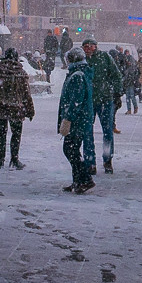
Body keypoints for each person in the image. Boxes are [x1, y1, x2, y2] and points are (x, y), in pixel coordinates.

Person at [0, 47, 35, 169]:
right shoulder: (21, 74)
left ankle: (0, 160)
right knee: (16, 135)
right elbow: (26, 94)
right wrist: (30, 110)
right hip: (16, 109)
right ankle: (15, 159)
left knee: (0, 134)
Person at [81, 38, 123, 174]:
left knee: (108, 131)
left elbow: (116, 75)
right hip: (88, 101)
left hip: (105, 99)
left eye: (89, 46)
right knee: (87, 132)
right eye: (85, 47)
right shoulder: (82, 60)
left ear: (95, 47)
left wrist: (117, 93)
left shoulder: (104, 57)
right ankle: (89, 161)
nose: (87, 49)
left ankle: (107, 159)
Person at [59, 48, 94, 194]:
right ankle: (77, 181)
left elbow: (76, 100)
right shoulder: (80, 73)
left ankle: (85, 179)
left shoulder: (77, 76)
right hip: (81, 119)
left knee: (70, 149)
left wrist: (68, 119)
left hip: (77, 121)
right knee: (72, 149)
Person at [122, 50, 140, 115]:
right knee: (128, 96)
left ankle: (134, 107)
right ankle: (130, 109)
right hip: (128, 82)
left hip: (131, 82)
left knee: (131, 96)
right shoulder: (127, 65)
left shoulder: (131, 67)